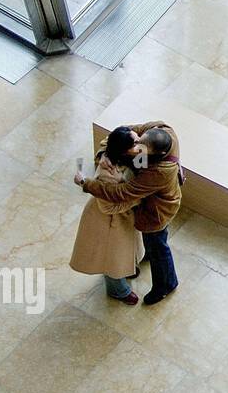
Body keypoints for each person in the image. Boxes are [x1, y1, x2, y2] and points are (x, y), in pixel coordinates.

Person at [75, 121, 183, 306]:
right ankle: (121, 285)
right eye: (136, 143)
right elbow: (117, 135)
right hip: (116, 217)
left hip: (156, 212)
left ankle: (166, 284)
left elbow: (122, 193)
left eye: (140, 148)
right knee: (112, 255)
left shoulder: (158, 172)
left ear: (155, 154)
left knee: (157, 245)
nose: (137, 149)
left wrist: (86, 183)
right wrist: (104, 154)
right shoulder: (160, 131)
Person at [69, 126, 146, 305]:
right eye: (135, 142)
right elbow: (109, 207)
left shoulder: (134, 154)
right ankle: (117, 290)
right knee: (111, 259)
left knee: (125, 250)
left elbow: (141, 173)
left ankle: (127, 269)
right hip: (108, 221)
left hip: (124, 218)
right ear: (123, 149)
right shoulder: (106, 174)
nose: (140, 144)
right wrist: (136, 199)